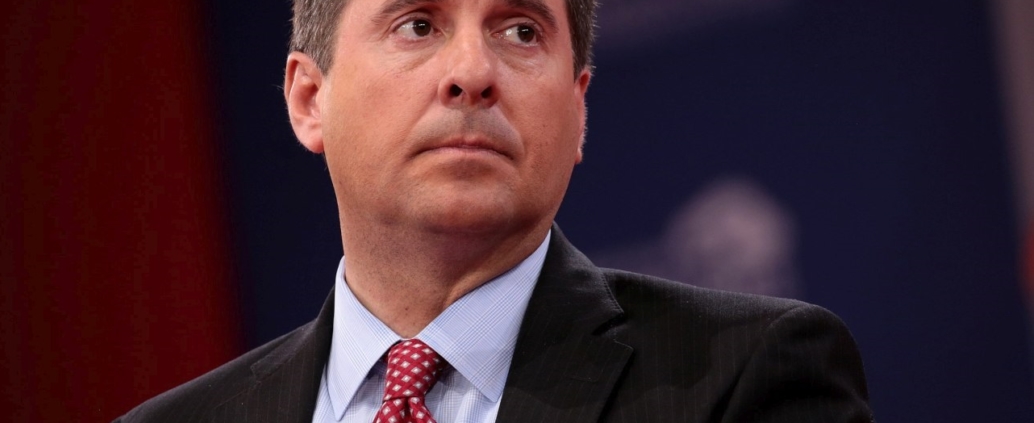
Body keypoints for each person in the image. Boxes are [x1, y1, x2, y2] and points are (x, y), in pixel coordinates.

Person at [115, 0, 874, 421]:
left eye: (520, 31)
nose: (473, 73)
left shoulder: (745, 379)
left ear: (578, 111)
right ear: (311, 100)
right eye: (418, 24)